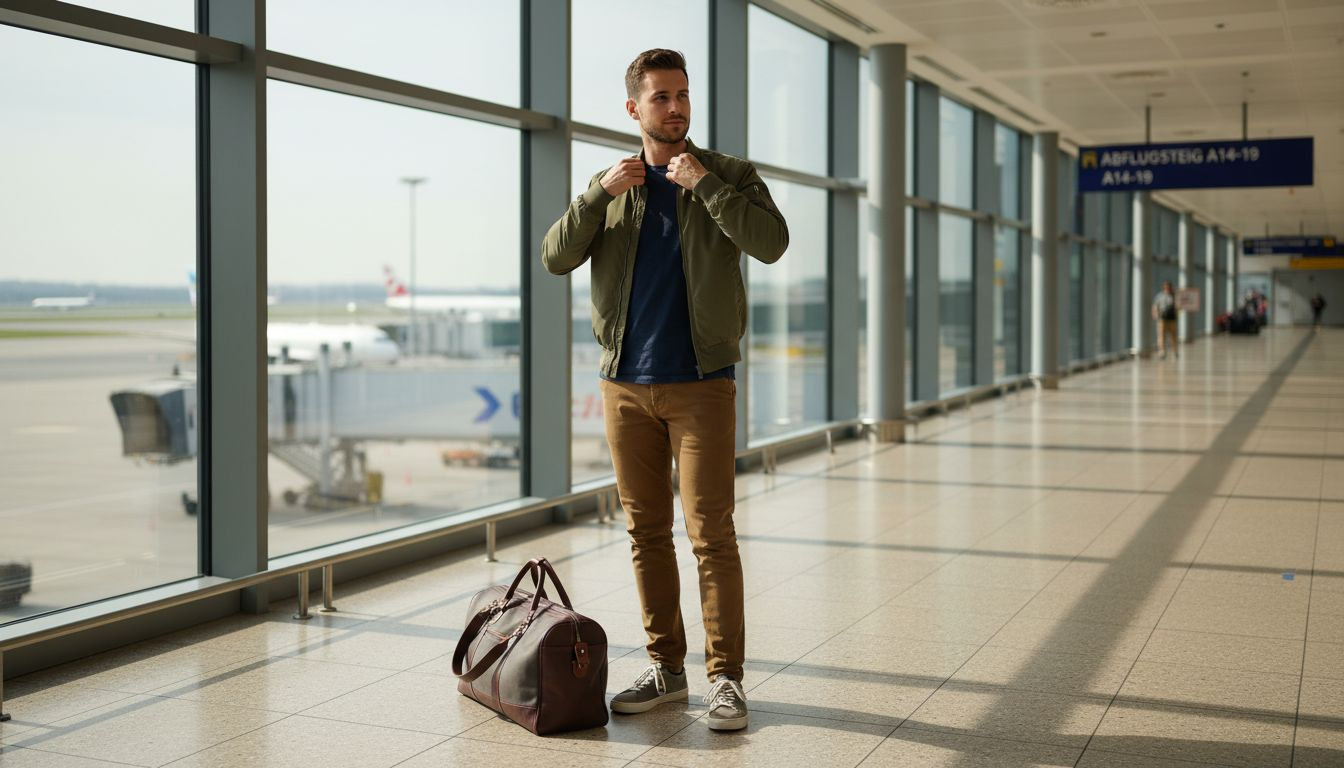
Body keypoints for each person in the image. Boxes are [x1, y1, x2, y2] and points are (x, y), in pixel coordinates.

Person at [541, 49, 788, 732]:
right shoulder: (612, 186)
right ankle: (667, 670)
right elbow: (556, 256)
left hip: (702, 384)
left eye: (682, 95)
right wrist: (598, 195)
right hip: (625, 386)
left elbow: (771, 243)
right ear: (634, 108)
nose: (676, 107)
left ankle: (726, 679)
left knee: (711, 535)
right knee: (646, 533)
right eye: (661, 97)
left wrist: (705, 185)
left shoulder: (728, 174)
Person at [1152, 281, 1179, 359]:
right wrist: (1155, 314)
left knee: (1173, 336)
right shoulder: (1160, 296)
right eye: (1166, 287)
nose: (1168, 289)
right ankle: (1162, 351)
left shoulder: (1174, 296)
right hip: (1162, 318)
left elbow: (1179, 305)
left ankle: (1174, 351)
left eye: (1169, 287)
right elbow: (1155, 305)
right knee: (1161, 336)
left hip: (1172, 318)